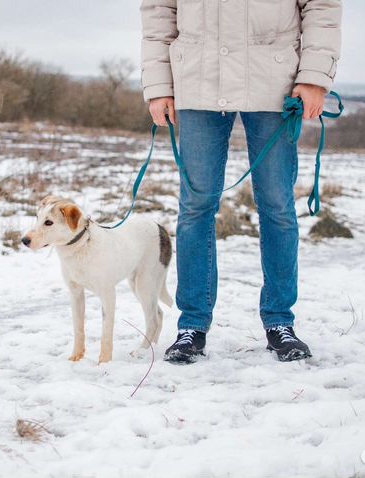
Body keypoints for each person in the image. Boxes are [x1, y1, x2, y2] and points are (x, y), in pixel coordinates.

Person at [140, 0, 342, 363]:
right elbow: (159, 12)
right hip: (199, 80)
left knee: (277, 205)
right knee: (195, 207)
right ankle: (192, 326)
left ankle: (280, 321)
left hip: (273, 81)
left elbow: (322, 6)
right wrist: (158, 86)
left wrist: (313, 78)